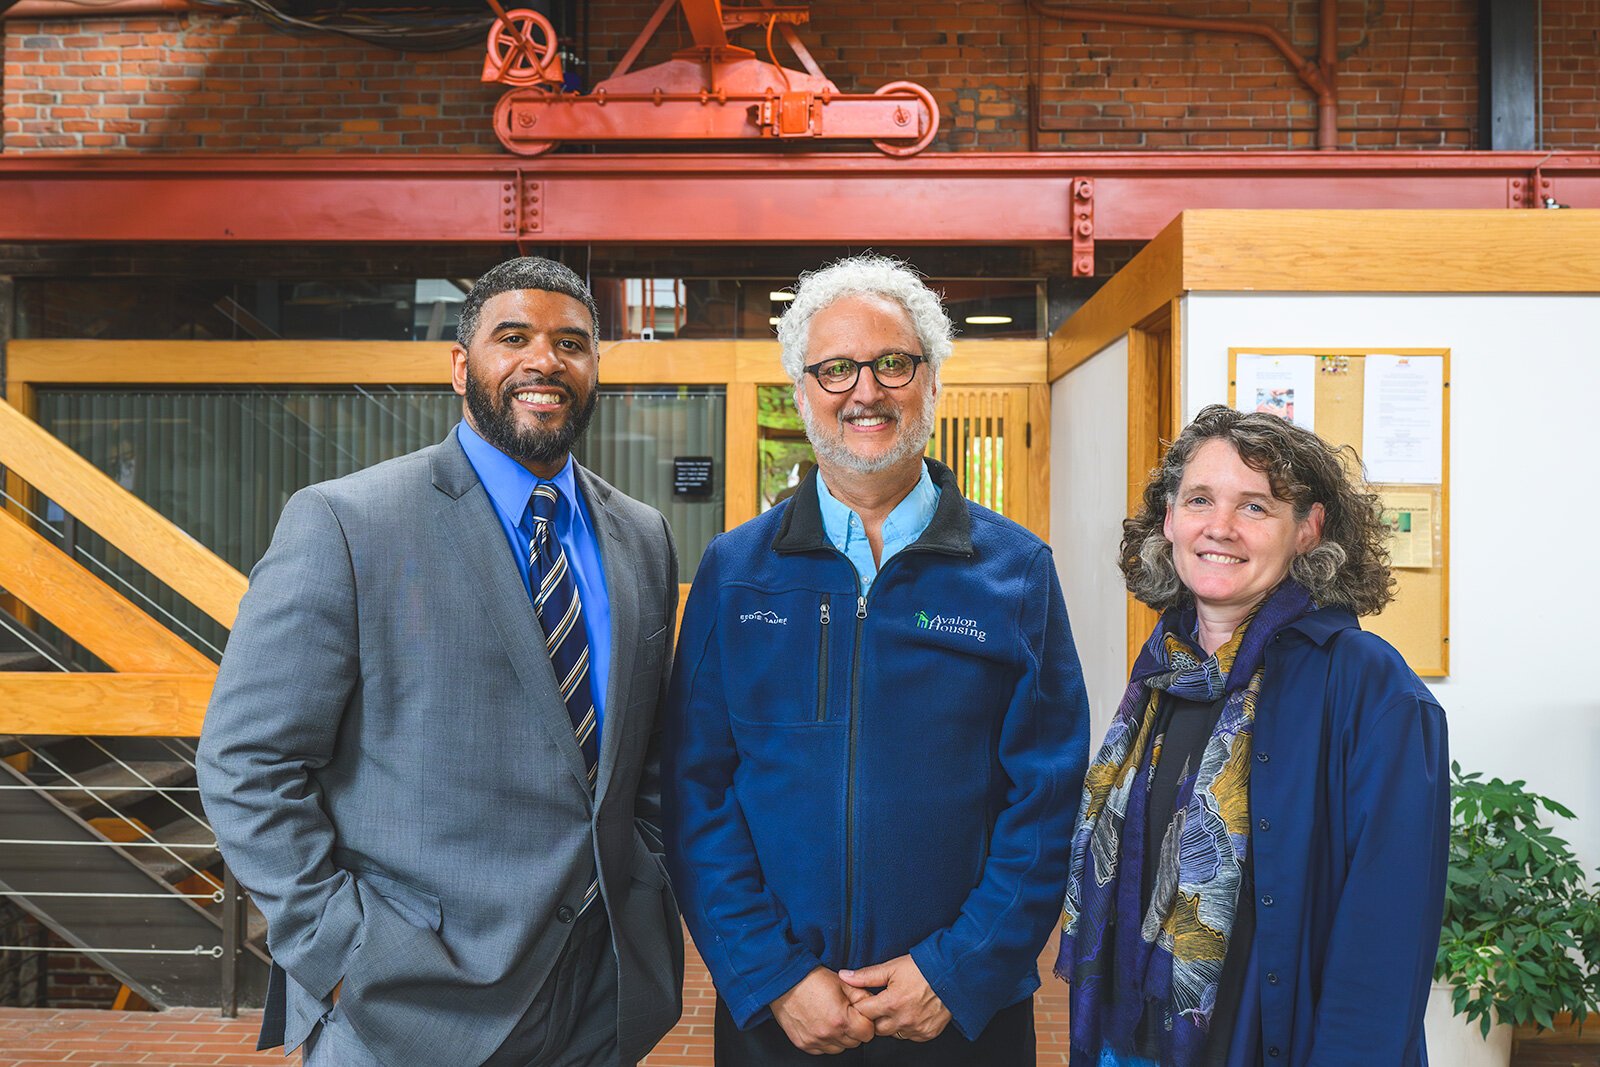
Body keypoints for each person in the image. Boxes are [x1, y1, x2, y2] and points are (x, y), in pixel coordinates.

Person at [196, 257, 684, 1067]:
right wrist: (341, 954)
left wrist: (647, 880)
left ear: (596, 367)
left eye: (573, 342)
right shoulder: (347, 523)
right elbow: (246, 760)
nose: (545, 360)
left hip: (597, 994)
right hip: (404, 1005)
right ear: (462, 366)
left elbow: (648, 756)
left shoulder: (642, 535)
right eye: (514, 336)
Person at [664, 255, 1091, 1065]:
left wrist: (956, 968)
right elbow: (696, 791)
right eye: (836, 368)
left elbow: (1047, 800)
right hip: (779, 1017)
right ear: (802, 392)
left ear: (931, 382)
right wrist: (773, 972)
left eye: (893, 363)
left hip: (960, 1015)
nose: (866, 390)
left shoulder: (1014, 571)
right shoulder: (736, 570)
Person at [1055, 405, 1449, 1066]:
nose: (1220, 527)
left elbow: (1387, 944)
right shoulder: (1161, 673)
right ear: (1170, 520)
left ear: (1309, 529)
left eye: (1257, 507)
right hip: (1130, 1048)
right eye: (1200, 499)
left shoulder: (1369, 687)